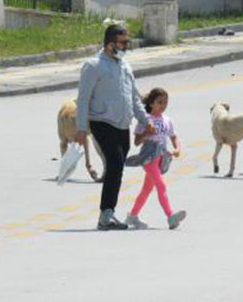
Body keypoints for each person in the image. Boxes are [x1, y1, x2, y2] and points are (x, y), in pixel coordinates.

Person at [76, 24, 154, 231]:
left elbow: (134, 97)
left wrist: (146, 120)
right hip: (101, 121)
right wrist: (81, 128)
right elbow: (83, 98)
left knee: (116, 167)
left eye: (128, 42)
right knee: (116, 162)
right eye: (123, 42)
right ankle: (106, 215)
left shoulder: (125, 66)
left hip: (122, 124)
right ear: (110, 44)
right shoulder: (93, 65)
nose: (126, 46)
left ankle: (108, 213)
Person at [124, 88, 187, 230]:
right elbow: (137, 142)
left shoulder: (167, 120)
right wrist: (146, 133)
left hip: (161, 157)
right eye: (159, 102)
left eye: (165, 102)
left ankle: (132, 215)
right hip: (149, 158)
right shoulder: (145, 120)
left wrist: (177, 148)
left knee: (146, 190)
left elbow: (173, 136)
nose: (163, 105)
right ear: (151, 103)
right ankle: (171, 217)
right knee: (161, 185)